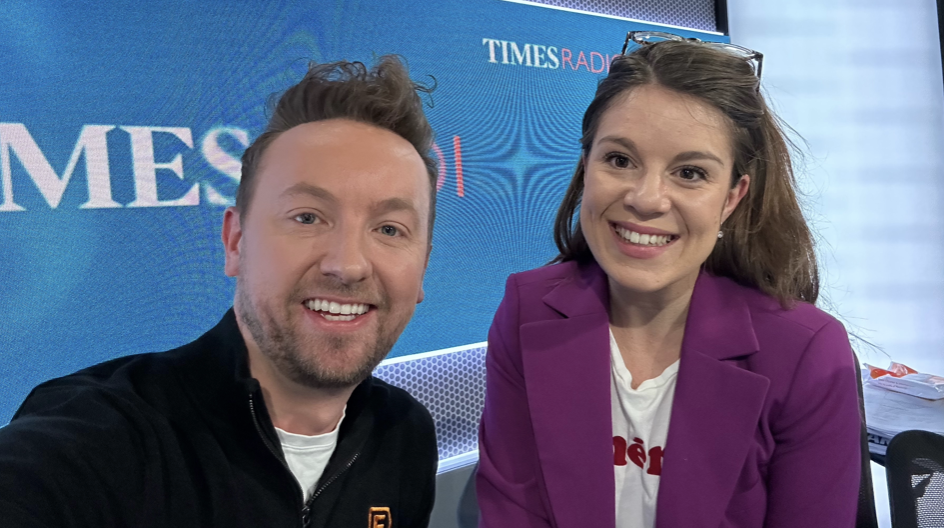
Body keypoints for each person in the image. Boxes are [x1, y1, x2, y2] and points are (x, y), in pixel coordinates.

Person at [0, 56, 439, 528]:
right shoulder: (104, 436)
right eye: (307, 217)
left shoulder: (405, 435)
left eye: (390, 229)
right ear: (235, 242)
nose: (347, 265)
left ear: (422, 270)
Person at [476, 32, 861, 528]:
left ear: (732, 197)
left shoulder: (808, 352)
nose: (647, 198)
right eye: (619, 160)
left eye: (691, 173)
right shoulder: (526, 309)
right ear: (586, 164)